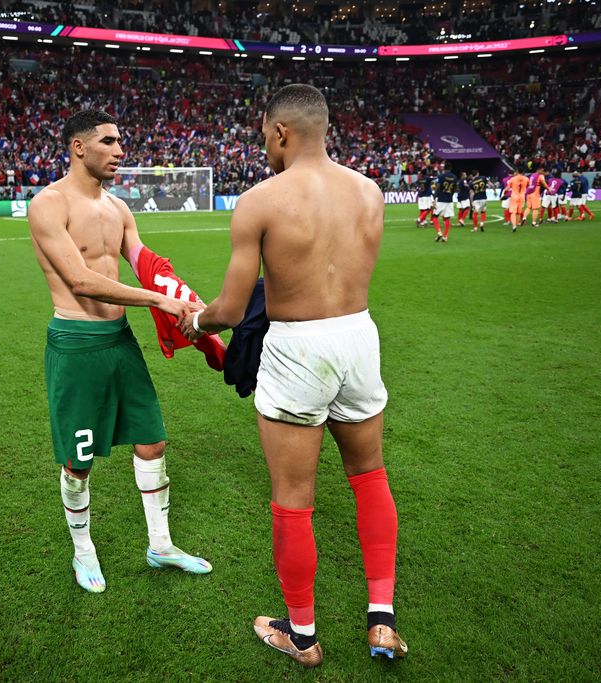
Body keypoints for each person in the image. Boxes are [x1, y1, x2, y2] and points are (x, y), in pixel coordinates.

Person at [179, 84, 405, 667]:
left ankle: (301, 636)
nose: (265, 149)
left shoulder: (260, 200)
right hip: (359, 336)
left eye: (264, 138)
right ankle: (382, 622)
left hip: (298, 346)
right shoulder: (370, 191)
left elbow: (229, 309)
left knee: (293, 498)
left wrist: (193, 320)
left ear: (281, 131)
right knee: (369, 476)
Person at [27, 109, 212, 595]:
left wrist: (194, 309)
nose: (120, 151)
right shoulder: (47, 205)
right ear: (78, 147)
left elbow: (148, 267)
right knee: (79, 459)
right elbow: (81, 280)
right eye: (109, 141)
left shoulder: (120, 209)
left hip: (120, 342)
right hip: (78, 346)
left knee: (152, 440)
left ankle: (161, 545)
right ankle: (83, 551)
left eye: (120, 142)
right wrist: (159, 301)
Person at [433, 161, 458, 243]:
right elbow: (455, 189)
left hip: (441, 199)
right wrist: (451, 195)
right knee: (447, 218)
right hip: (449, 200)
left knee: (435, 217)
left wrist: (434, 197)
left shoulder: (441, 176)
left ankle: (439, 232)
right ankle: (445, 237)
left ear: (444, 168)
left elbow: (437, 187)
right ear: (450, 168)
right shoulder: (454, 177)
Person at [506, 167, 529, 232]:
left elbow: (507, 188)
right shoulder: (526, 179)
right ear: (523, 172)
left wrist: (505, 194)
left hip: (514, 196)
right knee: (519, 212)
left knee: (513, 212)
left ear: (517, 171)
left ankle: (514, 226)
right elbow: (528, 185)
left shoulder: (513, 179)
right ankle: (517, 224)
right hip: (522, 197)